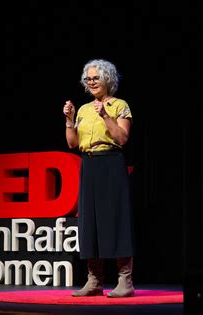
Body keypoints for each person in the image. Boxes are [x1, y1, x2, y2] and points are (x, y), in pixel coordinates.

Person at [63, 58, 134, 298]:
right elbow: (72, 143)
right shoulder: (83, 109)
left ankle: (125, 281)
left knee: (116, 220)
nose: (91, 82)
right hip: (89, 165)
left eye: (96, 78)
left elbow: (122, 138)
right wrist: (69, 120)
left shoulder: (119, 105)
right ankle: (94, 281)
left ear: (107, 80)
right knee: (89, 223)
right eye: (88, 79)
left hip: (111, 163)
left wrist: (105, 115)